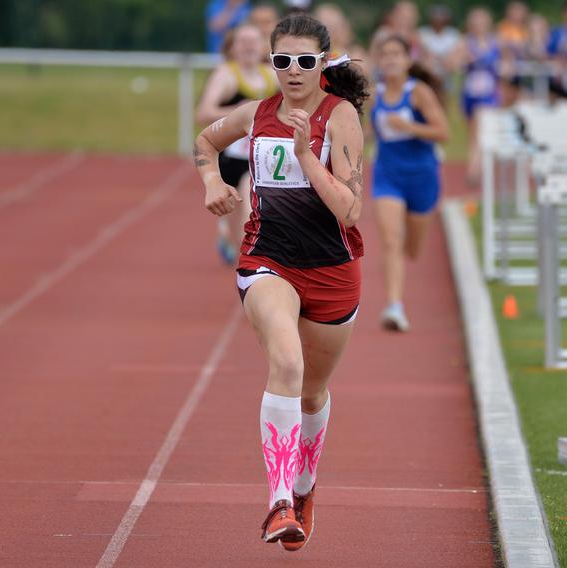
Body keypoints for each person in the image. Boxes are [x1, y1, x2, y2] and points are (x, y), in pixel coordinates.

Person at [193, 13, 369, 551]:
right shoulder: (255, 113)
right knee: (286, 364)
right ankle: (278, 504)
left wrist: (305, 159)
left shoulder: (340, 119)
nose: (292, 71)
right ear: (271, 63)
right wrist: (209, 180)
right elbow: (204, 139)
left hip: (333, 271)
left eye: (304, 61)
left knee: (313, 390)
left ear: (322, 63)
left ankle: (305, 487)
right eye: (282, 61)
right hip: (268, 260)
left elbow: (351, 210)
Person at [369, 34, 449, 331]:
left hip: (422, 176)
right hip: (388, 174)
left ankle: (401, 267)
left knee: (412, 249)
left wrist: (410, 126)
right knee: (391, 240)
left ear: (407, 60)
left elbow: (443, 132)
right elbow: (368, 132)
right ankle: (394, 306)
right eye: (385, 54)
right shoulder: (374, 94)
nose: (390, 60)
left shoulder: (419, 93)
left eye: (396, 54)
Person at [196, 24, 279, 265]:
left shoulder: (271, 74)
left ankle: (251, 261)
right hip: (229, 157)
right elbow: (203, 113)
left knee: (251, 209)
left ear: (264, 47)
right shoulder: (226, 74)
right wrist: (238, 112)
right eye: (243, 41)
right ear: (232, 47)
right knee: (236, 210)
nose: (249, 46)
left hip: (258, 158)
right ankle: (229, 235)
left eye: (254, 41)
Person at [446, 6, 501, 186]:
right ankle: (478, 166)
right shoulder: (465, 42)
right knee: (472, 134)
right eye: (475, 22)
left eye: (481, 21)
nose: (478, 25)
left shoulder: (495, 42)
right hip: (470, 93)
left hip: (489, 94)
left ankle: (474, 170)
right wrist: (463, 61)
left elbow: (506, 64)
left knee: (480, 130)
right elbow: (451, 64)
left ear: (488, 23)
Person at [418, 4, 461, 106]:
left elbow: (454, 57)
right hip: (428, 76)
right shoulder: (423, 33)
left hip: (446, 75)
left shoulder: (453, 34)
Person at [313, 3, 370, 77]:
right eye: (326, 27)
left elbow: (363, 77)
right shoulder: (310, 54)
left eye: (334, 28)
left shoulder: (356, 54)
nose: (330, 33)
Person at [496, 1, 529, 106]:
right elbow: (500, 48)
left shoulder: (526, 30)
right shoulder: (502, 28)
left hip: (523, 70)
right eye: (514, 11)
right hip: (508, 71)